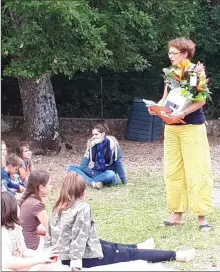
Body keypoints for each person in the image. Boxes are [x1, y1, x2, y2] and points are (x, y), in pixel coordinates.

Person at [46, 172, 195, 270]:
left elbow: (49, 236)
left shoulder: (57, 207)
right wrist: (75, 265)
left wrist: (47, 257)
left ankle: (139, 245)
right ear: (82, 191)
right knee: (131, 254)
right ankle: (176, 255)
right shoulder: (82, 208)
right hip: (83, 257)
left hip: (64, 255)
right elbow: (79, 237)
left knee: (110, 244)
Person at [148, 37, 214, 231]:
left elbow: (200, 101)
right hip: (172, 127)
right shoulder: (170, 73)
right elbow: (165, 97)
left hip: (192, 127)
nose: (170, 56)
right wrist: (157, 107)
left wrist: (182, 113)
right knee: (173, 170)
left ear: (185, 53)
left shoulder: (195, 72)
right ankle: (177, 213)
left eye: (174, 53)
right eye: (169, 53)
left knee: (197, 170)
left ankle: (202, 216)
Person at [1, 191, 59, 271]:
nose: (19, 206)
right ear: (10, 209)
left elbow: (24, 251)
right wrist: (39, 259)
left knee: (46, 265)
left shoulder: (16, 227)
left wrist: (43, 255)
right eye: (16, 204)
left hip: (19, 266)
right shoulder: (3, 234)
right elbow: (7, 263)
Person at [67, 123, 127, 189]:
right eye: (93, 134)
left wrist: (124, 182)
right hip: (96, 172)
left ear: (103, 134)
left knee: (110, 173)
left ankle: (90, 181)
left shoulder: (113, 144)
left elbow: (118, 163)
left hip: (108, 174)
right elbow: (83, 166)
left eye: (96, 134)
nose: (94, 136)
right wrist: (88, 148)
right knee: (70, 167)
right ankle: (94, 183)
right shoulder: (92, 144)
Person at [19, 170, 52, 250]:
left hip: (23, 241)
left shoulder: (27, 198)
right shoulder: (37, 205)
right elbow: (50, 229)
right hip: (32, 245)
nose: (51, 186)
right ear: (41, 187)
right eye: (49, 184)